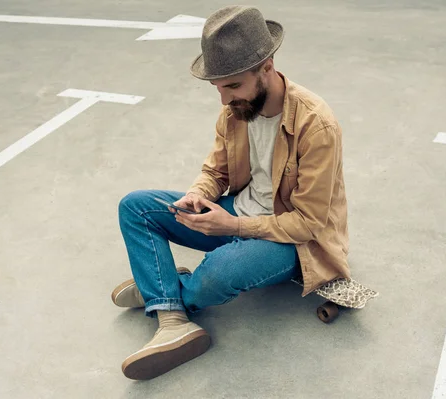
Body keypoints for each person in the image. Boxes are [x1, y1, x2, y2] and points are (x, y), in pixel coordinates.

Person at [111, 5, 351, 380]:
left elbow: (309, 223)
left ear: (267, 68)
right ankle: (173, 315)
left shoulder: (316, 124)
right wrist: (196, 194)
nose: (224, 100)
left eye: (233, 86)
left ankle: (163, 291)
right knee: (137, 207)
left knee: (219, 272)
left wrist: (232, 228)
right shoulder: (235, 110)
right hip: (235, 212)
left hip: (293, 243)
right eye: (218, 88)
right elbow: (216, 170)